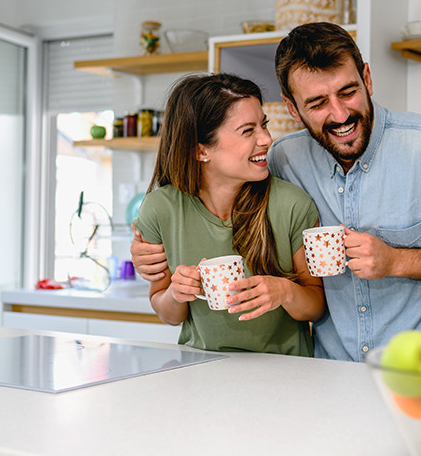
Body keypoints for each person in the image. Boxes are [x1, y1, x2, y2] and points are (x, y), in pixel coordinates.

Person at [132, 23, 421, 361]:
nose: (339, 114)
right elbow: (216, 205)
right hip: (331, 373)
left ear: (367, 78)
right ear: (292, 107)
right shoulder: (283, 159)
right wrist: (148, 250)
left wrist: (396, 260)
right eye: (316, 102)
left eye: (347, 92)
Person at [132, 73, 324, 357]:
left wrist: (284, 291)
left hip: (285, 376)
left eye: (264, 125)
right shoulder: (160, 210)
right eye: (248, 131)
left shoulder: (292, 205)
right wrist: (176, 293)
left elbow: (317, 306)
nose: (266, 139)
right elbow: (168, 314)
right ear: (201, 150)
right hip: (201, 371)